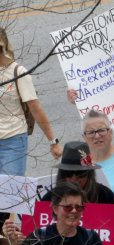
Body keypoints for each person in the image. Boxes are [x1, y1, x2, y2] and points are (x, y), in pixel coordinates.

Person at [0, 26, 62, 176]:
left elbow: (35, 108)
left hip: (12, 140)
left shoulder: (18, 73)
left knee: (11, 192)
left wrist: (53, 142)